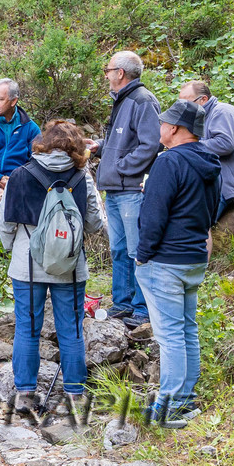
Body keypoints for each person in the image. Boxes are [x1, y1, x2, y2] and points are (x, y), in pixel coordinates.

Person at [0, 120, 104, 413]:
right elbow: (95, 223)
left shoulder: (20, 174)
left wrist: (13, 248)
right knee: (71, 329)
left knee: (27, 329)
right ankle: (75, 395)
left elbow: (3, 221)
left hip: (27, 264)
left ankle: (25, 395)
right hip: (70, 265)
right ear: (76, 147)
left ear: (43, 142)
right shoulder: (82, 176)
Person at [135, 100, 223, 427]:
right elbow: (215, 211)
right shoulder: (211, 162)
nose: (159, 128)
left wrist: (143, 253)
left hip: (165, 260)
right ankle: (184, 402)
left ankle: (167, 409)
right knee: (187, 330)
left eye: (163, 123)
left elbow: (154, 214)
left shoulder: (168, 162)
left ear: (173, 128)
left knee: (171, 335)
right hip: (194, 258)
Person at [94, 50, 162, 327]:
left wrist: (121, 167)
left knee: (136, 250)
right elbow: (122, 143)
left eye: (108, 70)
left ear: (120, 73)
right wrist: (99, 148)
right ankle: (122, 303)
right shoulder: (121, 101)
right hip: (114, 190)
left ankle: (143, 309)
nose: (107, 75)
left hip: (131, 190)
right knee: (119, 249)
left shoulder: (142, 101)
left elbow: (151, 144)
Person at [178, 79, 234, 221]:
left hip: (229, 185)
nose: (183, 107)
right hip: (212, 180)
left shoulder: (223, 112)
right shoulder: (201, 116)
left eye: (186, 102)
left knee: (197, 222)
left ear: (203, 99)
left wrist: (189, 146)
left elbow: (225, 144)